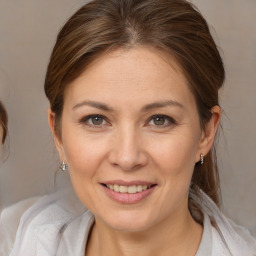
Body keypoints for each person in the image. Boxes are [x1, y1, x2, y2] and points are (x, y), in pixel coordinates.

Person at [1, 0, 256, 255]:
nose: (127, 157)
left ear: (206, 133)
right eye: (96, 119)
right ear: (58, 135)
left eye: (159, 120)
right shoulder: (11, 238)